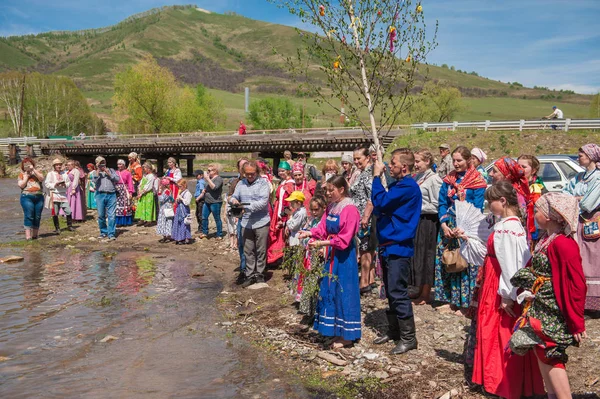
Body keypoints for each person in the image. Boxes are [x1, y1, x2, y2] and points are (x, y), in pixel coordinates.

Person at [471, 181, 544, 399]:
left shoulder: (507, 228)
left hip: (499, 283)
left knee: (499, 331)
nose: (488, 206)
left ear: (502, 201)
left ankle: (503, 383)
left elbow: (512, 266)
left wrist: (507, 295)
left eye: (490, 202)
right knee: (498, 330)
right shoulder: (512, 225)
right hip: (497, 280)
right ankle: (506, 382)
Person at [510, 193, 587, 399]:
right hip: (541, 304)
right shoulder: (546, 239)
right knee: (541, 349)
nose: (533, 214)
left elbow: (577, 283)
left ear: (553, 216)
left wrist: (576, 320)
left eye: (537, 211)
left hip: (553, 308)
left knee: (551, 352)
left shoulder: (563, 243)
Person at [298, 176, 361, 348]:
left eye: (331, 190)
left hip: (344, 257)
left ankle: (348, 335)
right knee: (330, 289)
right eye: (326, 190)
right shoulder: (332, 207)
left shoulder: (350, 209)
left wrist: (324, 243)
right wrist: (310, 234)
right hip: (332, 254)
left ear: (341, 190)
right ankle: (335, 330)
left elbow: (345, 238)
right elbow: (323, 227)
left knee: (344, 291)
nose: (327, 193)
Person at [371, 149, 422, 355]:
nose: (389, 166)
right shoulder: (398, 185)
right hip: (388, 244)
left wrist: (376, 176)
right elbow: (380, 205)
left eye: (393, 163)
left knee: (397, 291)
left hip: (398, 246)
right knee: (390, 289)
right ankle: (394, 331)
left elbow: (381, 202)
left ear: (405, 167)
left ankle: (409, 338)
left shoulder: (408, 187)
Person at [434, 146, 487, 310]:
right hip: (448, 225)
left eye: (459, 160)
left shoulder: (477, 181)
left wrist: (463, 227)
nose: (456, 164)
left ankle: (466, 302)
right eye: (454, 160)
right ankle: (449, 299)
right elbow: (442, 202)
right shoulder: (448, 180)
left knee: (465, 262)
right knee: (448, 259)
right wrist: (443, 224)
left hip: (467, 227)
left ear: (469, 160)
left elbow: (477, 207)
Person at [563, 144, 600, 311]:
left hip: (593, 221)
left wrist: (576, 199)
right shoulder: (579, 177)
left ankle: (594, 302)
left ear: (591, 157)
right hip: (577, 221)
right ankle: (579, 298)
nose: (579, 158)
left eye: (582, 155)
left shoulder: (598, 178)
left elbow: (588, 203)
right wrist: (576, 198)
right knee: (579, 257)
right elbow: (564, 194)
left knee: (593, 258)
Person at [229, 161, 272, 287]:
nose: (249, 176)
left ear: (257, 172)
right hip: (246, 222)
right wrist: (233, 200)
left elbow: (263, 203)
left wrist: (245, 208)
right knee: (248, 250)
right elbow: (232, 196)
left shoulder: (263, 184)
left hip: (261, 221)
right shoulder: (241, 184)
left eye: (252, 174)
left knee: (261, 249)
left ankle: (259, 273)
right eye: (247, 174)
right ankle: (249, 274)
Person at [410, 149, 443, 305]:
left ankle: (426, 292)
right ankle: (419, 287)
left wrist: (417, 206)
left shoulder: (434, 179)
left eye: (418, 161)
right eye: (415, 161)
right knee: (419, 253)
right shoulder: (419, 177)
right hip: (419, 220)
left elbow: (437, 204)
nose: (415, 165)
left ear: (427, 162)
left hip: (429, 221)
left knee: (427, 254)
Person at [350, 145, 376, 294]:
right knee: (366, 248)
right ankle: (370, 279)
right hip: (360, 215)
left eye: (358, 158)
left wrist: (366, 216)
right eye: (354, 158)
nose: (356, 161)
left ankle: (364, 281)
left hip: (365, 217)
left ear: (367, 157)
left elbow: (371, 196)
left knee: (366, 248)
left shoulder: (368, 173)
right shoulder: (361, 172)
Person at [489, 157, 532, 241]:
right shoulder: (499, 193)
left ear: (506, 175)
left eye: (495, 171)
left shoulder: (516, 196)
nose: (490, 174)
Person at [297, 195, 327, 314]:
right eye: (312, 210)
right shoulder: (312, 221)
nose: (314, 212)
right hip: (310, 254)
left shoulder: (324, 221)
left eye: (316, 210)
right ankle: (308, 309)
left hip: (318, 254)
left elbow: (325, 235)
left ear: (323, 208)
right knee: (309, 280)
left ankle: (316, 311)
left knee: (316, 282)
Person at [267, 161, 295, 265]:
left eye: (283, 171)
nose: (281, 173)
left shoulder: (290, 184)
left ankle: (285, 259)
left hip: (285, 212)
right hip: (278, 211)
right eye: (279, 171)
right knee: (278, 234)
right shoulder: (282, 183)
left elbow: (289, 201)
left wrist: (286, 214)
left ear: (288, 171)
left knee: (285, 235)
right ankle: (278, 258)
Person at [228, 158, 250, 280]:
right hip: (240, 216)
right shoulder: (236, 182)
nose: (244, 169)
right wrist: (233, 201)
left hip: (254, 216)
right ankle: (243, 268)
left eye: (246, 165)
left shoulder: (256, 181)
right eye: (242, 167)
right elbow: (229, 196)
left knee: (252, 245)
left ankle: (253, 269)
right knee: (241, 243)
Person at [518, 155, 548, 242]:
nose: (519, 169)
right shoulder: (514, 186)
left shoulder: (539, 188)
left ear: (533, 170)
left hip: (536, 230)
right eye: (518, 166)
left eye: (523, 167)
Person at [44, 158, 74, 234]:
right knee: (55, 212)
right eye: (57, 165)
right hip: (54, 194)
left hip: (63, 194)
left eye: (60, 165)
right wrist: (55, 184)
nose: (59, 166)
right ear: (54, 166)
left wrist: (64, 184)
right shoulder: (50, 174)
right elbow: (47, 184)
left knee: (68, 211)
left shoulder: (64, 173)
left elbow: (68, 182)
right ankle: (57, 228)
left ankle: (69, 226)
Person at [17, 157, 44, 240]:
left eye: (29, 164)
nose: (27, 166)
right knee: (29, 215)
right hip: (26, 196)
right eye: (25, 164)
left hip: (39, 196)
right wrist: (26, 177)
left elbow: (42, 178)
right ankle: (28, 237)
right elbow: (21, 185)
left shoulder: (38, 172)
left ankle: (35, 236)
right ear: (23, 166)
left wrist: (34, 170)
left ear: (32, 164)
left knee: (37, 216)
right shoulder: (21, 174)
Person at [93, 156, 120, 240]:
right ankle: (103, 232)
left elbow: (117, 179)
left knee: (111, 215)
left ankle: (111, 233)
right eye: (100, 163)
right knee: (101, 215)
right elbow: (94, 181)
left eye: (103, 162)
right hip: (100, 194)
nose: (102, 165)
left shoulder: (111, 170)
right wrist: (98, 172)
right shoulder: (95, 172)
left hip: (111, 194)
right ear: (97, 164)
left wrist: (109, 174)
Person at [200, 163, 224, 239]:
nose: (208, 172)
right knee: (204, 217)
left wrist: (207, 179)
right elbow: (209, 187)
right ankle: (204, 232)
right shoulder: (210, 179)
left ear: (215, 171)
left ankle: (219, 234)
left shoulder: (219, 179)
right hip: (207, 201)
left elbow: (214, 187)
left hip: (215, 202)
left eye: (209, 170)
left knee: (217, 218)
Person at [171, 179, 193, 245]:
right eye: (178, 186)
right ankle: (179, 237)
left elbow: (187, 203)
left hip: (184, 210)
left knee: (185, 223)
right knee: (178, 223)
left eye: (180, 186)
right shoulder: (181, 192)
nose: (179, 188)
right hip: (179, 209)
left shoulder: (188, 193)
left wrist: (181, 198)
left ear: (184, 185)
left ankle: (185, 238)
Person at [114, 159, 134, 226]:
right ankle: (118, 221)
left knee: (125, 205)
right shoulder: (115, 172)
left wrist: (130, 192)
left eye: (120, 164)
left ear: (123, 165)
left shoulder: (127, 173)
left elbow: (130, 183)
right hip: (117, 191)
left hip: (125, 190)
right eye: (118, 164)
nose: (119, 166)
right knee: (117, 205)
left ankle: (126, 221)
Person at [156, 178, 175, 243]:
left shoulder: (167, 191)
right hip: (164, 207)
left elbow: (161, 199)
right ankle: (165, 235)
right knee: (164, 221)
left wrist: (159, 192)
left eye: (161, 184)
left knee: (167, 221)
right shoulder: (167, 191)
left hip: (166, 208)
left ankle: (168, 236)